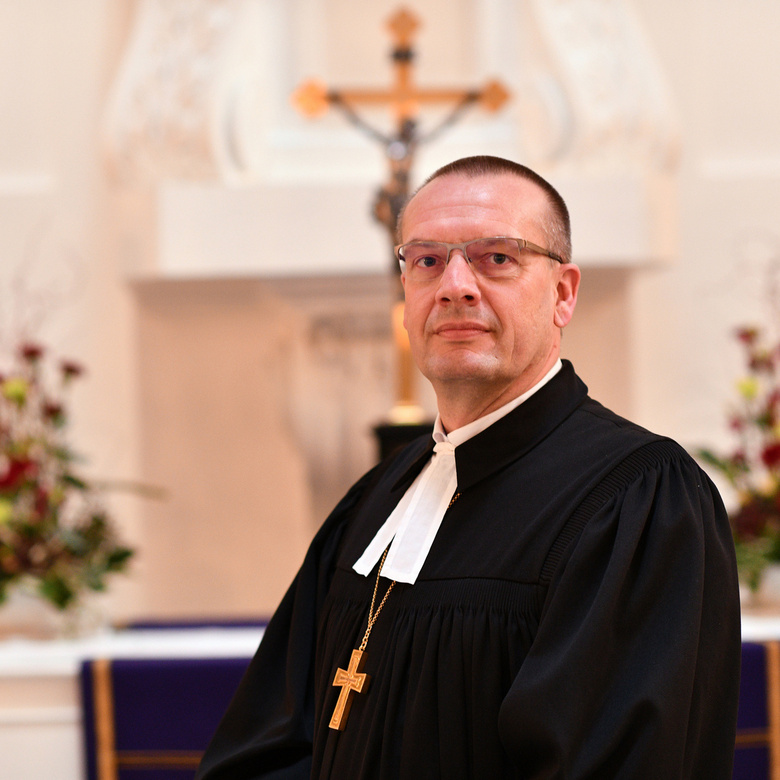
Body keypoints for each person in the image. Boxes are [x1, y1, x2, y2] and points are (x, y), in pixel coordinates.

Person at [195, 156, 741, 779]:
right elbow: (271, 742)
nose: (456, 285)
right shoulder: (377, 497)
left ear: (563, 293)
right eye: (427, 260)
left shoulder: (640, 500)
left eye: (497, 258)